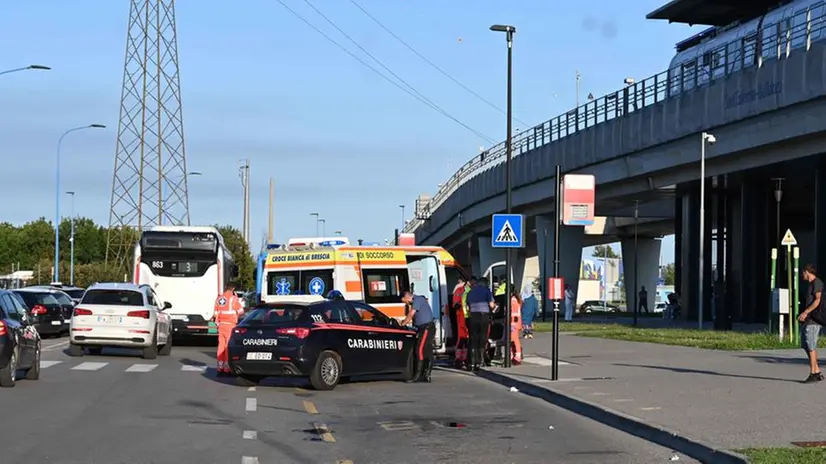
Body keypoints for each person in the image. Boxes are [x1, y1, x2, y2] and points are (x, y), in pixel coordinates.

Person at [400, 291, 435, 382]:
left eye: (404, 301)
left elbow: (411, 314)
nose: (405, 303)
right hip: (425, 328)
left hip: (426, 328)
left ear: (406, 297)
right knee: (426, 350)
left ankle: (418, 375)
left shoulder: (417, 300)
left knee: (419, 350)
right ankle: (426, 374)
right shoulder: (419, 300)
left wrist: (403, 324)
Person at [798, 264, 825, 383]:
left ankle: (813, 372)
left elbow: (817, 300)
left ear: (807, 272)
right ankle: (817, 371)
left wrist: (805, 312)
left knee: (811, 346)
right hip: (809, 320)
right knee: (805, 344)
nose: (801, 275)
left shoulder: (816, 283)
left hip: (814, 320)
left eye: (802, 272)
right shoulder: (810, 284)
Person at [213, 281, 244, 376]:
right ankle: (227, 367)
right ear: (233, 289)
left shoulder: (219, 298)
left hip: (221, 325)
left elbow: (215, 313)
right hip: (230, 325)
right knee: (227, 346)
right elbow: (241, 311)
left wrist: (217, 323)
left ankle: (220, 367)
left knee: (221, 345)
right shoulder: (233, 299)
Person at [466, 277, 495, 372]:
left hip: (473, 316)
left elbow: (467, 307)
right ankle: (480, 362)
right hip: (483, 316)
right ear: (485, 283)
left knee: (473, 338)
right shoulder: (487, 291)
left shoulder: (470, 292)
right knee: (482, 338)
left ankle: (471, 362)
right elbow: (491, 305)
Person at [452, 277, 470, 369]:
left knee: (467, 340)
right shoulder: (459, 290)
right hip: (461, 318)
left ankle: (465, 358)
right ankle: (458, 359)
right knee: (461, 339)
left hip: (469, 318)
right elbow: (455, 304)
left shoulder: (472, 290)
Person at [509, 291, 523, 365]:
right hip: (516, 322)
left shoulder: (513, 300)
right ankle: (515, 354)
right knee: (513, 340)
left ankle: (517, 355)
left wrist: (512, 322)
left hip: (513, 322)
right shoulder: (516, 299)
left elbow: (513, 312)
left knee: (513, 340)